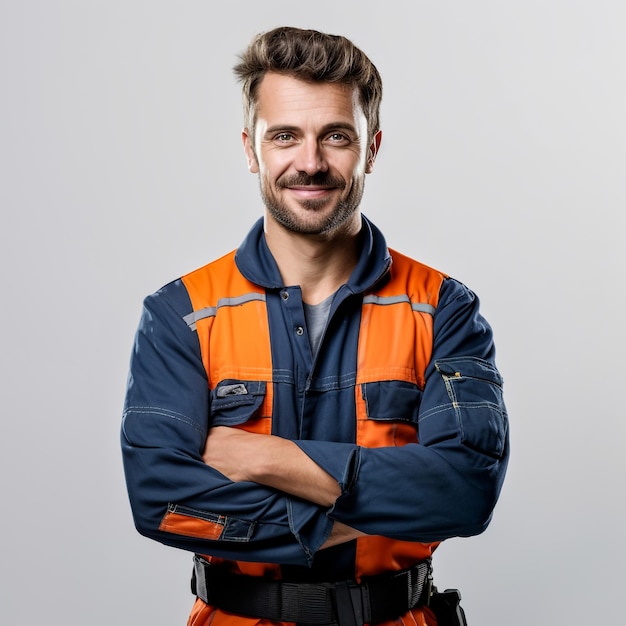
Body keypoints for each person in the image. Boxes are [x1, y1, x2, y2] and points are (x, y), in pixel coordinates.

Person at [121, 26, 509, 626]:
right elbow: (159, 501)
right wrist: (371, 505)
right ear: (251, 149)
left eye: (336, 137)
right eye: (284, 136)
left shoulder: (442, 309)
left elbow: (464, 493)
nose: (310, 163)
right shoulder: (182, 314)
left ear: (372, 149)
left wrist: (266, 458)